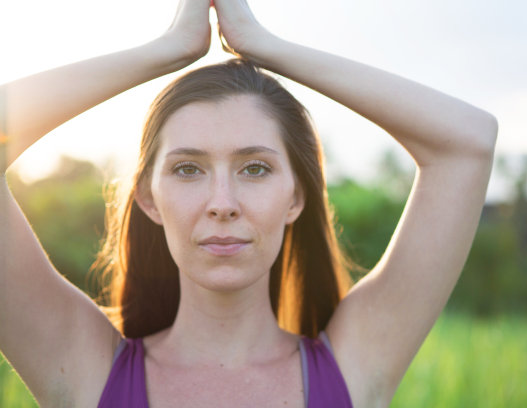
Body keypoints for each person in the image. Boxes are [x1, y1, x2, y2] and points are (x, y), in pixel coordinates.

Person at [0, 0, 498, 406]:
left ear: (296, 197)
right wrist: (169, 49)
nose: (223, 203)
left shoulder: (352, 365)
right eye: (188, 168)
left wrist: (264, 46)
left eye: (254, 168)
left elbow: (468, 144)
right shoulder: (86, 369)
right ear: (149, 199)